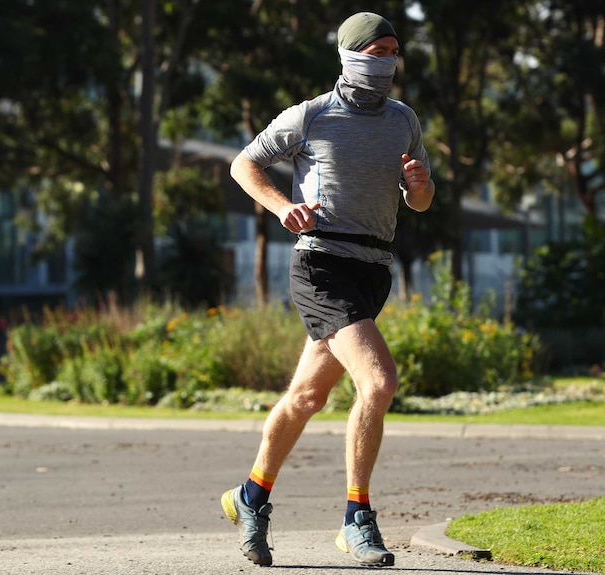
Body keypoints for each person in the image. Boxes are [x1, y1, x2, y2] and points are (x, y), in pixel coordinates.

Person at [221, 11, 435, 568]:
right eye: (375, 50)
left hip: (372, 269)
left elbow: (421, 201)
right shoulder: (313, 114)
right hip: (320, 264)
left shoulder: (403, 119)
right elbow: (244, 165)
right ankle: (356, 518)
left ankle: (250, 496)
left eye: (392, 51)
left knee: (308, 397)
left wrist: (420, 186)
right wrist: (282, 206)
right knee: (380, 381)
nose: (385, 61)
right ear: (349, 55)